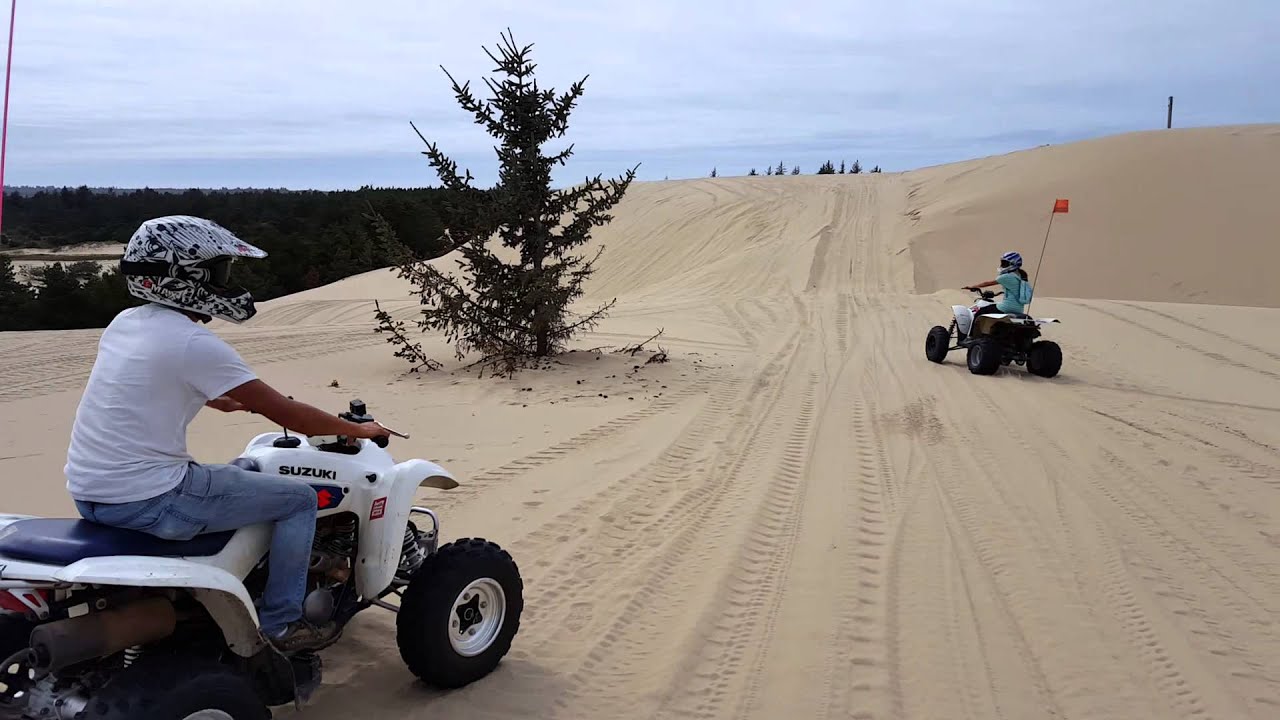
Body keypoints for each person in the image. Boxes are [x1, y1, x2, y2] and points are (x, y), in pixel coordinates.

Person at [64, 215, 390, 654]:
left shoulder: (127, 322)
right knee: (299, 499)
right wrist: (359, 429)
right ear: (186, 276)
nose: (224, 283)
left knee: (244, 470)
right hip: (150, 498)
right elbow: (288, 412)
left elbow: (144, 381)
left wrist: (219, 398)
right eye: (217, 273)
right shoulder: (192, 343)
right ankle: (282, 624)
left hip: (91, 493)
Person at [964, 251, 1033, 319]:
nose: (1002, 265)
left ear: (1013, 264)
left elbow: (987, 283)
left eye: (1005, 263)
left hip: (1006, 307)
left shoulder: (1006, 277)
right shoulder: (1021, 275)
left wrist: (972, 287)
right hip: (1019, 309)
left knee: (980, 312)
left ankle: (973, 330)